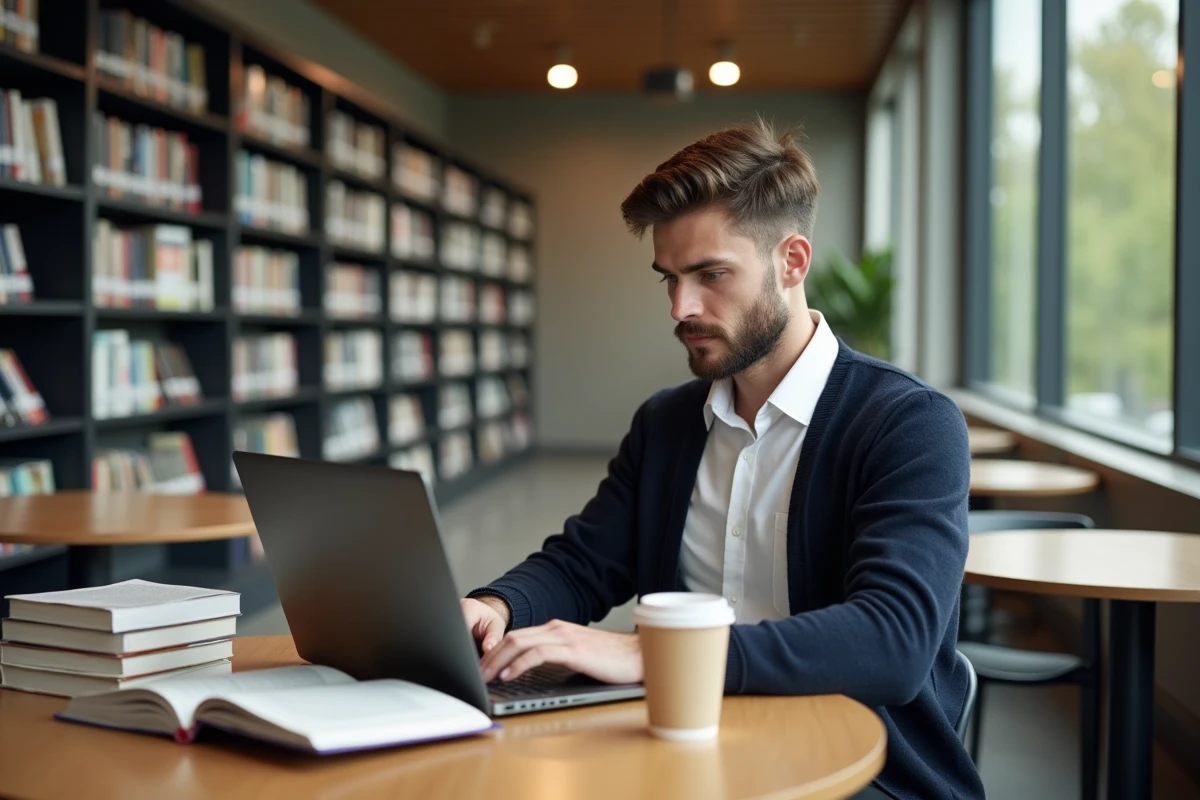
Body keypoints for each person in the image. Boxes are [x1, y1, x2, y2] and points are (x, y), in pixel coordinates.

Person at [459, 119, 983, 800]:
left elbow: (894, 640)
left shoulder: (909, 425)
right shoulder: (666, 423)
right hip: (682, 746)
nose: (682, 307)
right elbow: (585, 562)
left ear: (791, 262)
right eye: (669, 279)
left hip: (862, 770)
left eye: (710, 275)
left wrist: (657, 655)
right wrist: (498, 605)